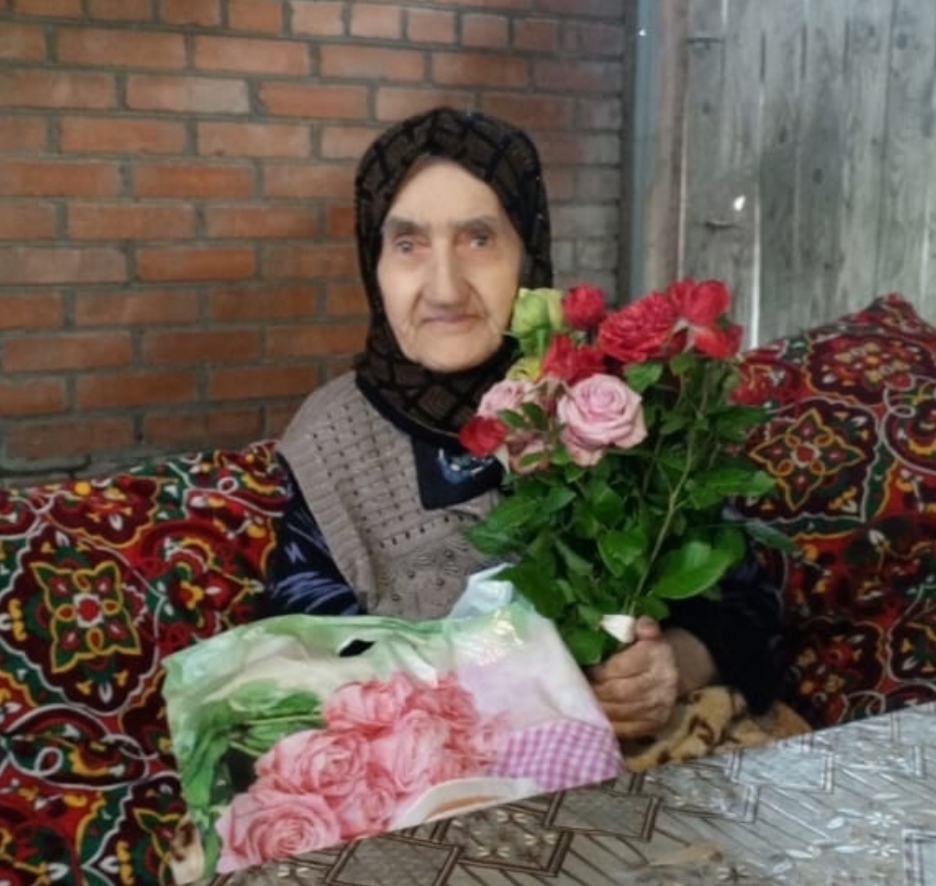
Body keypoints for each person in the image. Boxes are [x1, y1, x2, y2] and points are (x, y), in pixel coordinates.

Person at [264, 107, 783, 741]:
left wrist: (668, 668)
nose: (445, 288)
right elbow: (305, 662)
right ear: (373, 265)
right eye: (407, 245)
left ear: (529, 251)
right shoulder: (331, 441)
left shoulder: (612, 399)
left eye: (479, 239)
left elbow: (753, 610)